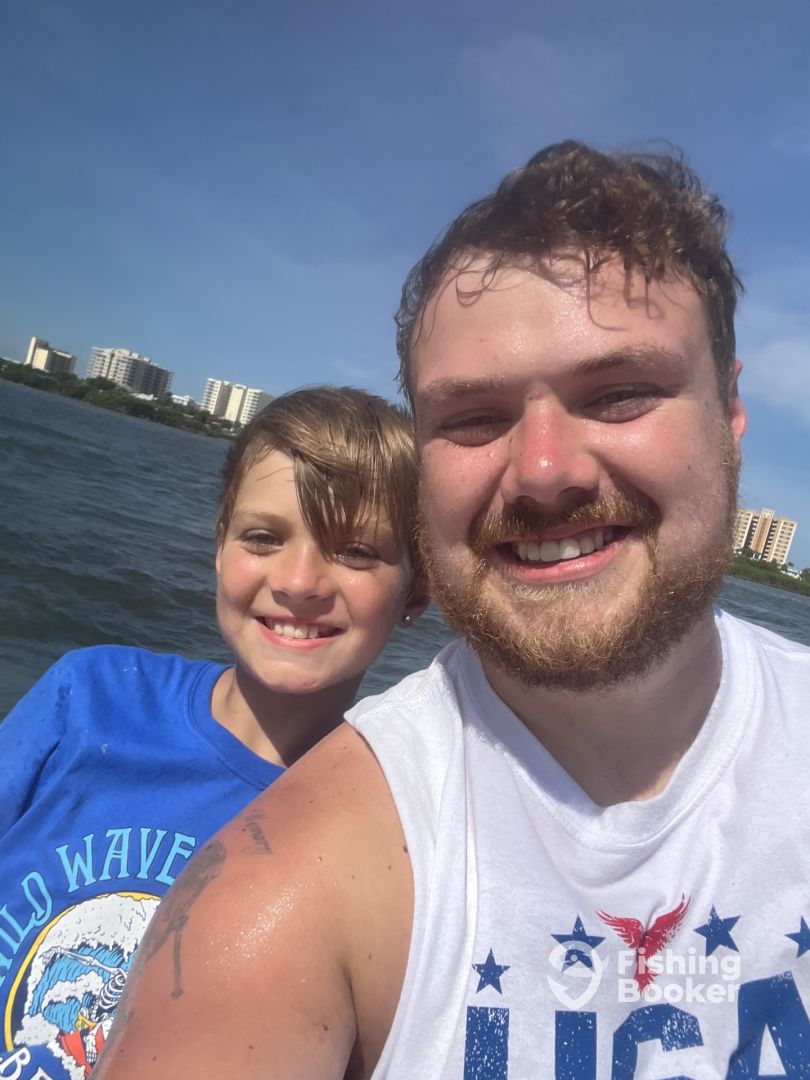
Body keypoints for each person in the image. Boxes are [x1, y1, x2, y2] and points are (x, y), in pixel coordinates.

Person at [96, 141, 810, 1079]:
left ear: (730, 413)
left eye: (620, 393)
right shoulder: (287, 890)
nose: (544, 470)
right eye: (473, 417)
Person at [0, 385, 427, 1080]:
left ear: (416, 593)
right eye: (263, 538)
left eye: (355, 551)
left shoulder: (385, 832)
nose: (299, 581)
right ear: (218, 547)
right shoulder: (91, 696)